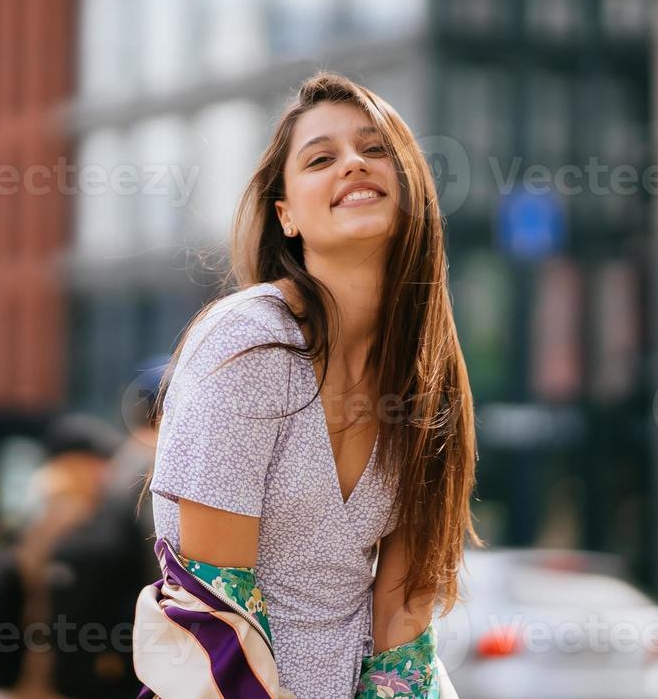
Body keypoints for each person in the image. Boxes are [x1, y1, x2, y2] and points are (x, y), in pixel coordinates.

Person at [140, 73, 479, 698]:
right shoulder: (248, 342)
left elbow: (404, 619)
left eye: (376, 150)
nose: (353, 164)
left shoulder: (426, 373)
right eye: (321, 158)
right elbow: (218, 603)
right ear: (287, 215)